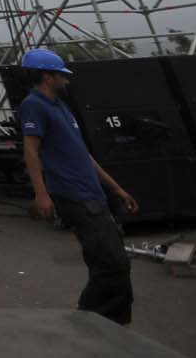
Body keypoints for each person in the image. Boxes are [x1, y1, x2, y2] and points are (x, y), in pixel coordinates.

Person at [18, 47, 138, 324]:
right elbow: (31, 150)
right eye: (62, 75)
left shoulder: (61, 107)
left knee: (111, 261)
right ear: (48, 77)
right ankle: (89, 321)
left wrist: (116, 188)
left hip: (92, 194)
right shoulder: (33, 105)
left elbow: (82, 153)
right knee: (111, 262)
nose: (67, 80)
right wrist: (41, 194)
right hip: (74, 195)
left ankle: (113, 322)